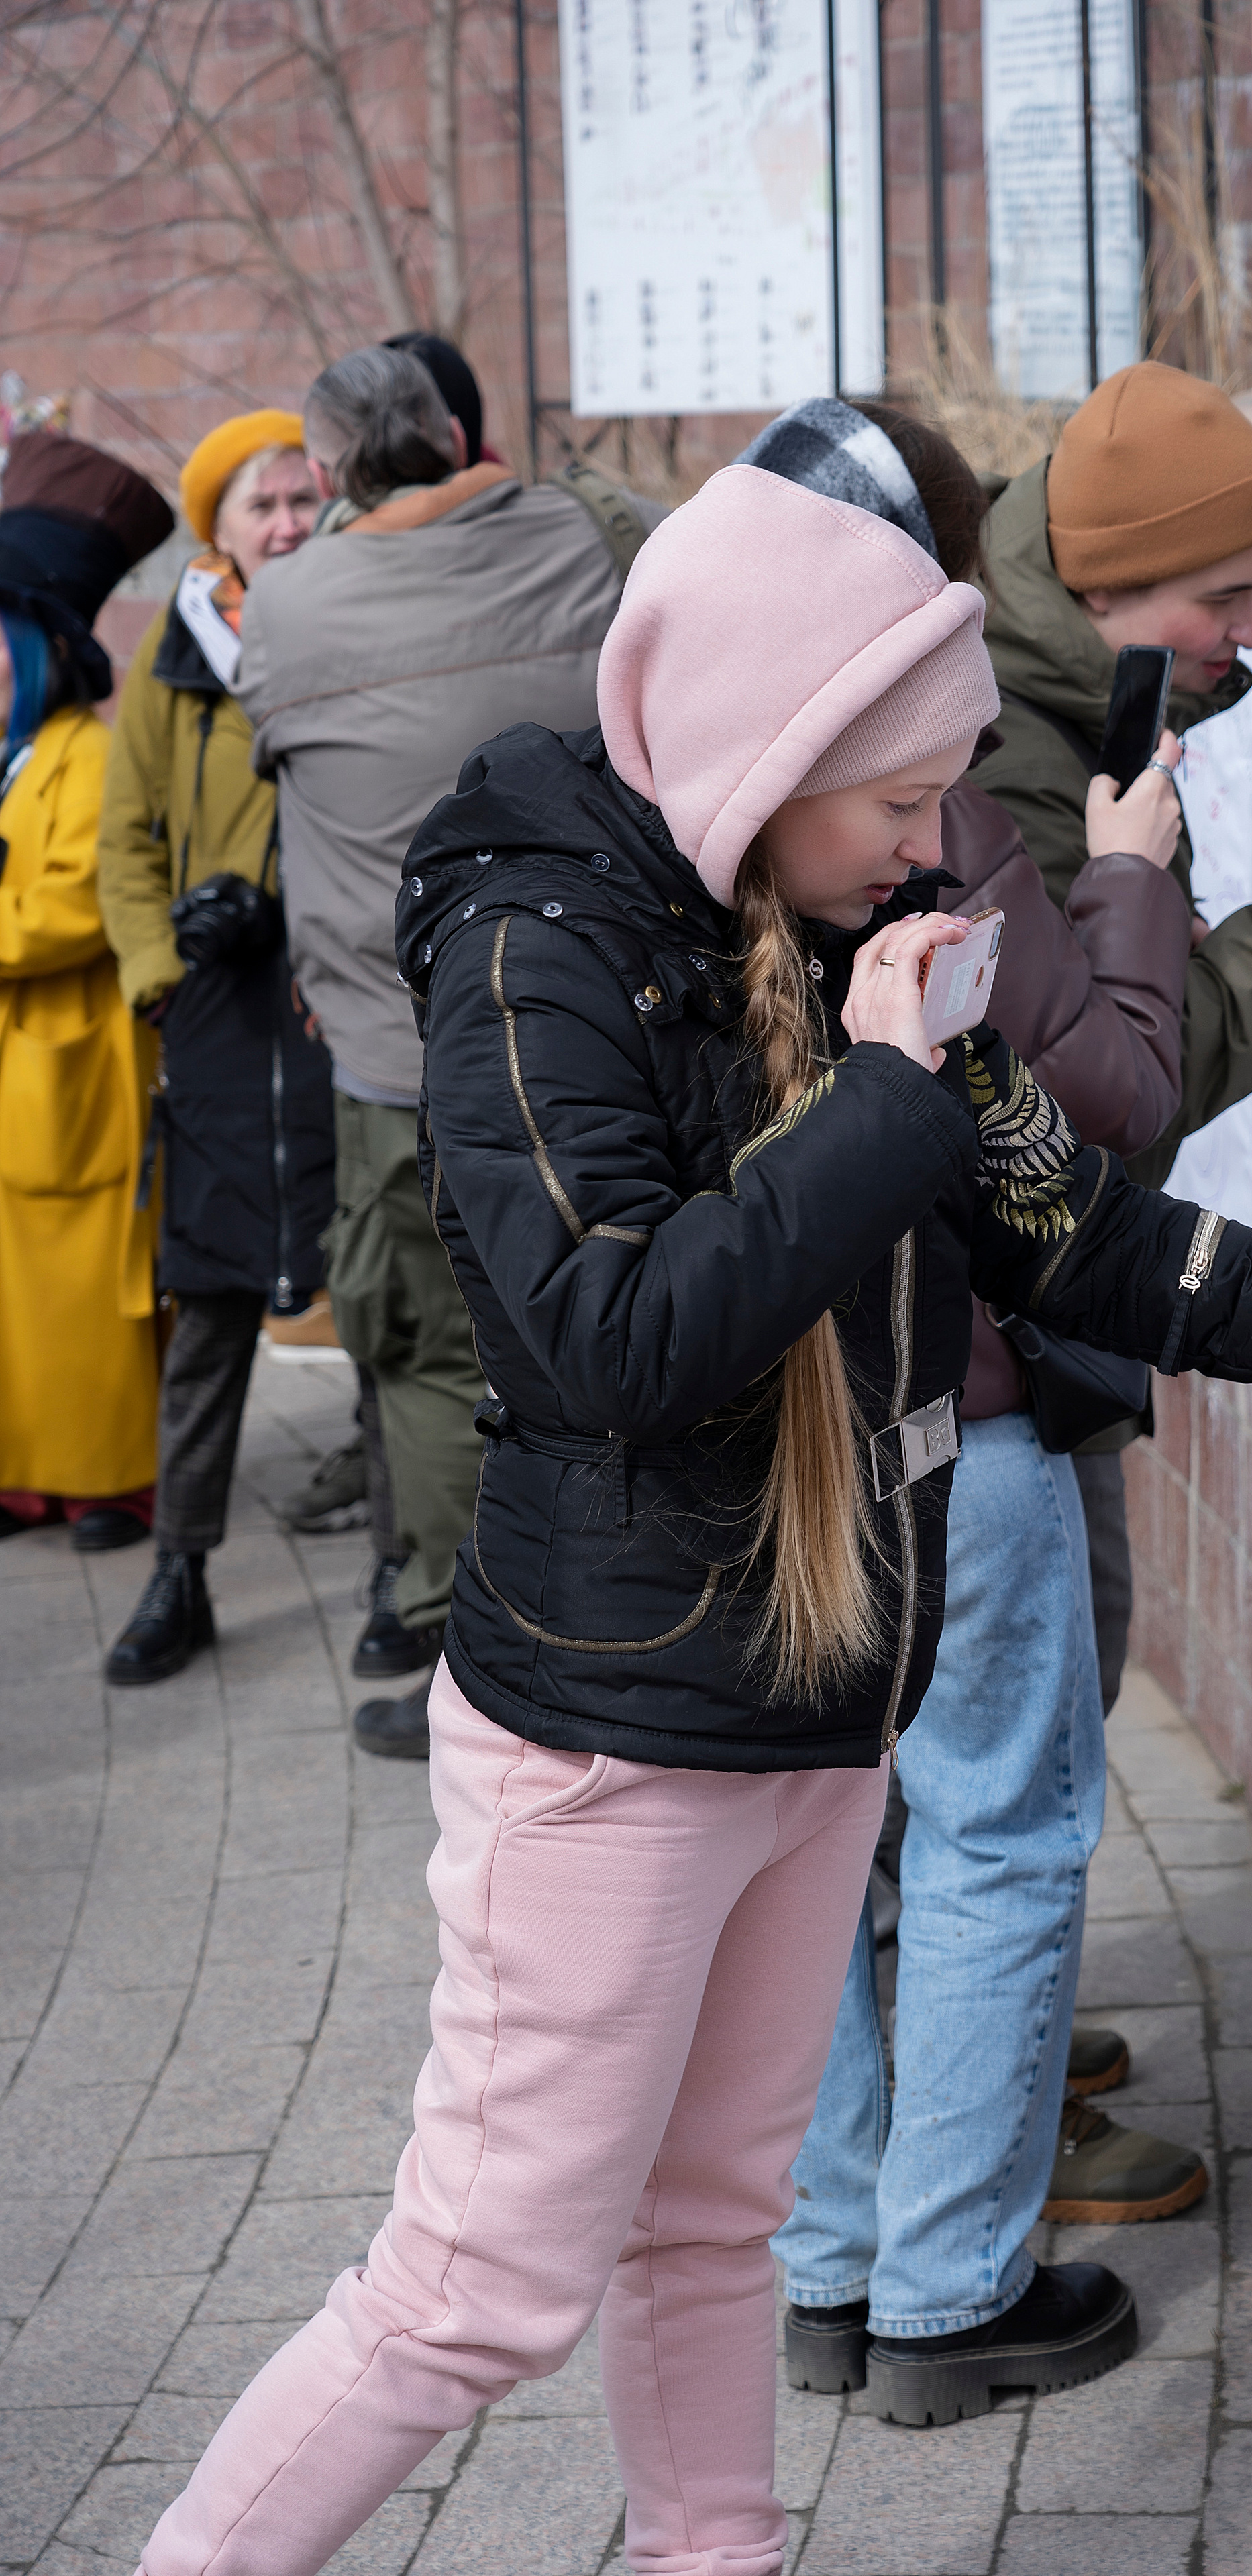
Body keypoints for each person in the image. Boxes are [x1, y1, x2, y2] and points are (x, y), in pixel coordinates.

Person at [136, 460, 1252, 2575]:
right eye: (898, 800)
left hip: (820, 1712)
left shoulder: (857, 933)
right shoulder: (541, 944)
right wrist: (895, 1103)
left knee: (719, 2228)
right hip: (615, 1746)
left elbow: (1079, 1241)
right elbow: (607, 1337)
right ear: (759, 758)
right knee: (477, 2290)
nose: (935, 843)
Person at [734, 399, 1213, 2402]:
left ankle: (838, 2270)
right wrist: (1123, 879)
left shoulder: (699, 808)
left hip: (771, 1438)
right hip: (974, 1406)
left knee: (824, 1855)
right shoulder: (940, 810)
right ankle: (950, 2291)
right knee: (999, 1837)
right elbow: (1100, 1116)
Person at [974, 359, 1252, 2171]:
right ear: (1100, 586)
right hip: (996, 1336)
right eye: (1217, 601)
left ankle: (989, 2052)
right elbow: (1121, 1076)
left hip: (1019, 1320)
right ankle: (977, 2134)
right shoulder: (1011, 749)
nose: (1248, 637)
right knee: (1009, 1746)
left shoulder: (1078, 685)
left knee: (1036, 1714)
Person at [236, 342, 662, 1757]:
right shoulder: (568, 536)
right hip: (590, 1026)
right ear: (451, 432)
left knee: (421, 1349)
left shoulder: (291, 603)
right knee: (604, 1325)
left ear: (331, 471)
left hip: (391, 1047)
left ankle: (453, 1640)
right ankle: (614, 1634)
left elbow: (271, 743)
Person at [95, 411, 356, 1684]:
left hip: (330, 1006)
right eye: (263, 507)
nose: (289, 525)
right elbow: (126, 839)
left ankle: (414, 1582)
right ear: (220, 527)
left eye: (305, 500)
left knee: (371, 1287)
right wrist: (161, 972)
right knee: (206, 1300)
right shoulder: (175, 659)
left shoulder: (355, 617)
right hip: (207, 1016)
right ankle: (179, 1568)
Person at [0, 432, 174, 1552]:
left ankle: (113, 1483)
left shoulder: (87, 755)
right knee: (17, 1290)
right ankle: (25, 1475)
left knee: (85, 1286)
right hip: (18, 1065)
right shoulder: (14, 759)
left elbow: (69, 906)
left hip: (76, 1061)